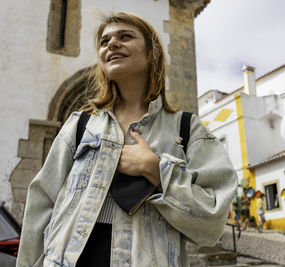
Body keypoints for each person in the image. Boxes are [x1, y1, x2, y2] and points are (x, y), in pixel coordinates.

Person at [16, 12, 237, 267]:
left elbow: (214, 219)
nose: (111, 44)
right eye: (104, 41)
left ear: (151, 53)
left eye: (125, 36)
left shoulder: (186, 129)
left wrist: (156, 171)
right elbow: (41, 203)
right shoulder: (80, 124)